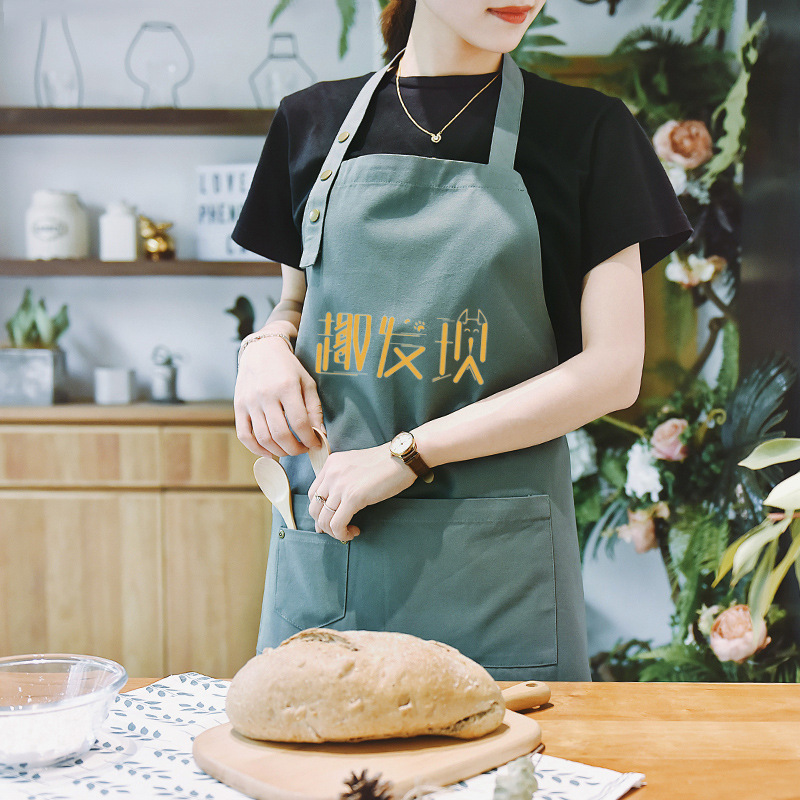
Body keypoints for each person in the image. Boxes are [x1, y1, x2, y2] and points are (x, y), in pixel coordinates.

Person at [231, 0, 692, 681]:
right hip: (338, 545)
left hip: (499, 575)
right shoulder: (309, 123)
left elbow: (613, 371)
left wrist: (409, 453)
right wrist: (263, 346)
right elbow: (295, 301)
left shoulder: (589, 132)